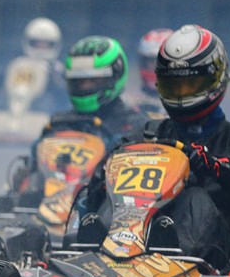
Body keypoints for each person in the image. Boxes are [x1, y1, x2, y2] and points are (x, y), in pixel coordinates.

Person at [75, 25, 230, 269]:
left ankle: (167, 250)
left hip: (214, 249)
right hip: (137, 236)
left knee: (194, 197)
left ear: (215, 79)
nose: (180, 95)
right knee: (117, 197)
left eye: (190, 85)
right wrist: (104, 178)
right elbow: (100, 182)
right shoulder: (149, 133)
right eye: (173, 86)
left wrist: (209, 163)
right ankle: (95, 249)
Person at [11, 35, 147, 202]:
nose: (85, 86)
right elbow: (36, 159)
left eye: (93, 80)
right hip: (52, 201)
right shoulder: (58, 123)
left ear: (114, 77)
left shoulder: (133, 125)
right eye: (79, 81)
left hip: (103, 204)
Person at [0, 17, 70, 115]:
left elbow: (64, 96)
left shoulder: (58, 70)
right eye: (37, 44)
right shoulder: (17, 65)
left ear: (55, 45)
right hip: (9, 111)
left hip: (43, 114)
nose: (41, 49)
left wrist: (51, 77)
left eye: (45, 45)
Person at [130, 28, 174, 118]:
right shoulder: (131, 101)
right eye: (149, 61)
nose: (152, 67)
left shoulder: (186, 99)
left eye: (158, 62)